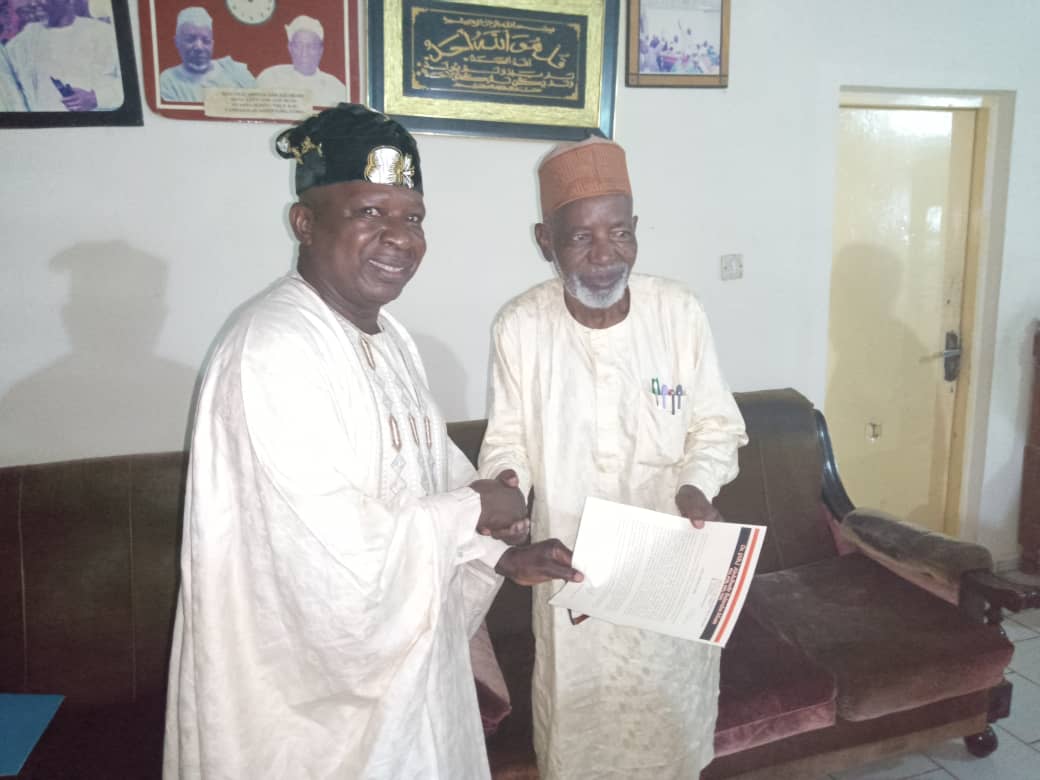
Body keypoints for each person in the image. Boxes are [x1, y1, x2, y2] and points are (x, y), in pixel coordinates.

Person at [163, 103, 582, 779]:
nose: (400, 237)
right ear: (305, 222)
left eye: (413, 217)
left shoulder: (390, 339)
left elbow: (430, 477)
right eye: (369, 212)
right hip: (316, 725)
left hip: (411, 688)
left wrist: (498, 551)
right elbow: (321, 558)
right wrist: (472, 510)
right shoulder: (273, 348)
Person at [477, 136, 748, 780]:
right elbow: (507, 440)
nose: (605, 255)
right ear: (545, 241)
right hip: (576, 573)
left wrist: (697, 484)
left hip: (670, 567)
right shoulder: (521, 326)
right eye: (581, 238)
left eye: (620, 233)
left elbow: (715, 425)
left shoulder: (678, 312)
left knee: (671, 737)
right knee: (583, 741)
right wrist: (508, 487)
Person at [4, 0, 121, 111]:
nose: (34, 3)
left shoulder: (103, 33)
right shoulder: (23, 42)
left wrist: (96, 98)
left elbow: (128, 85)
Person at [159, 6, 254, 102]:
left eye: (206, 40)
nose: (199, 47)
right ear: (177, 42)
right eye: (190, 39)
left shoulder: (236, 71)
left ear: (212, 44)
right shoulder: (169, 80)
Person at [257, 14, 347, 107]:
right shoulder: (271, 78)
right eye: (299, 46)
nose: (304, 53)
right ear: (290, 48)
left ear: (320, 50)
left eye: (311, 46)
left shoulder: (336, 88)